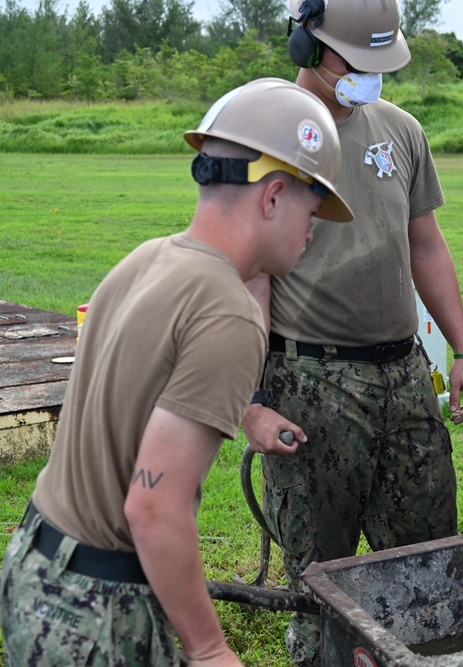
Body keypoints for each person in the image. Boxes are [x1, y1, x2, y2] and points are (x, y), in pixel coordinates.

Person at [0, 77, 352, 666]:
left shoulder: (148, 258)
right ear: (271, 197)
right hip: (99, 609)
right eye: (311, 209)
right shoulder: (229, 314)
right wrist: (210, 649)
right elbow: (153, 505)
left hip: (37, 565)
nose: (312, 231)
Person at [240, 0, 463, 663]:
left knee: (429, 554)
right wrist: (251, 400)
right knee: (322, 577)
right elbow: (250, 274)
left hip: (405, 373)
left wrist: (461, 347)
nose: (373, 75)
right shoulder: (270, 136)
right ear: (306, 46)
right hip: (311, 381)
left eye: (383, 61)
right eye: (358, 61)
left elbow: (426, 244)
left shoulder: (400, 130)